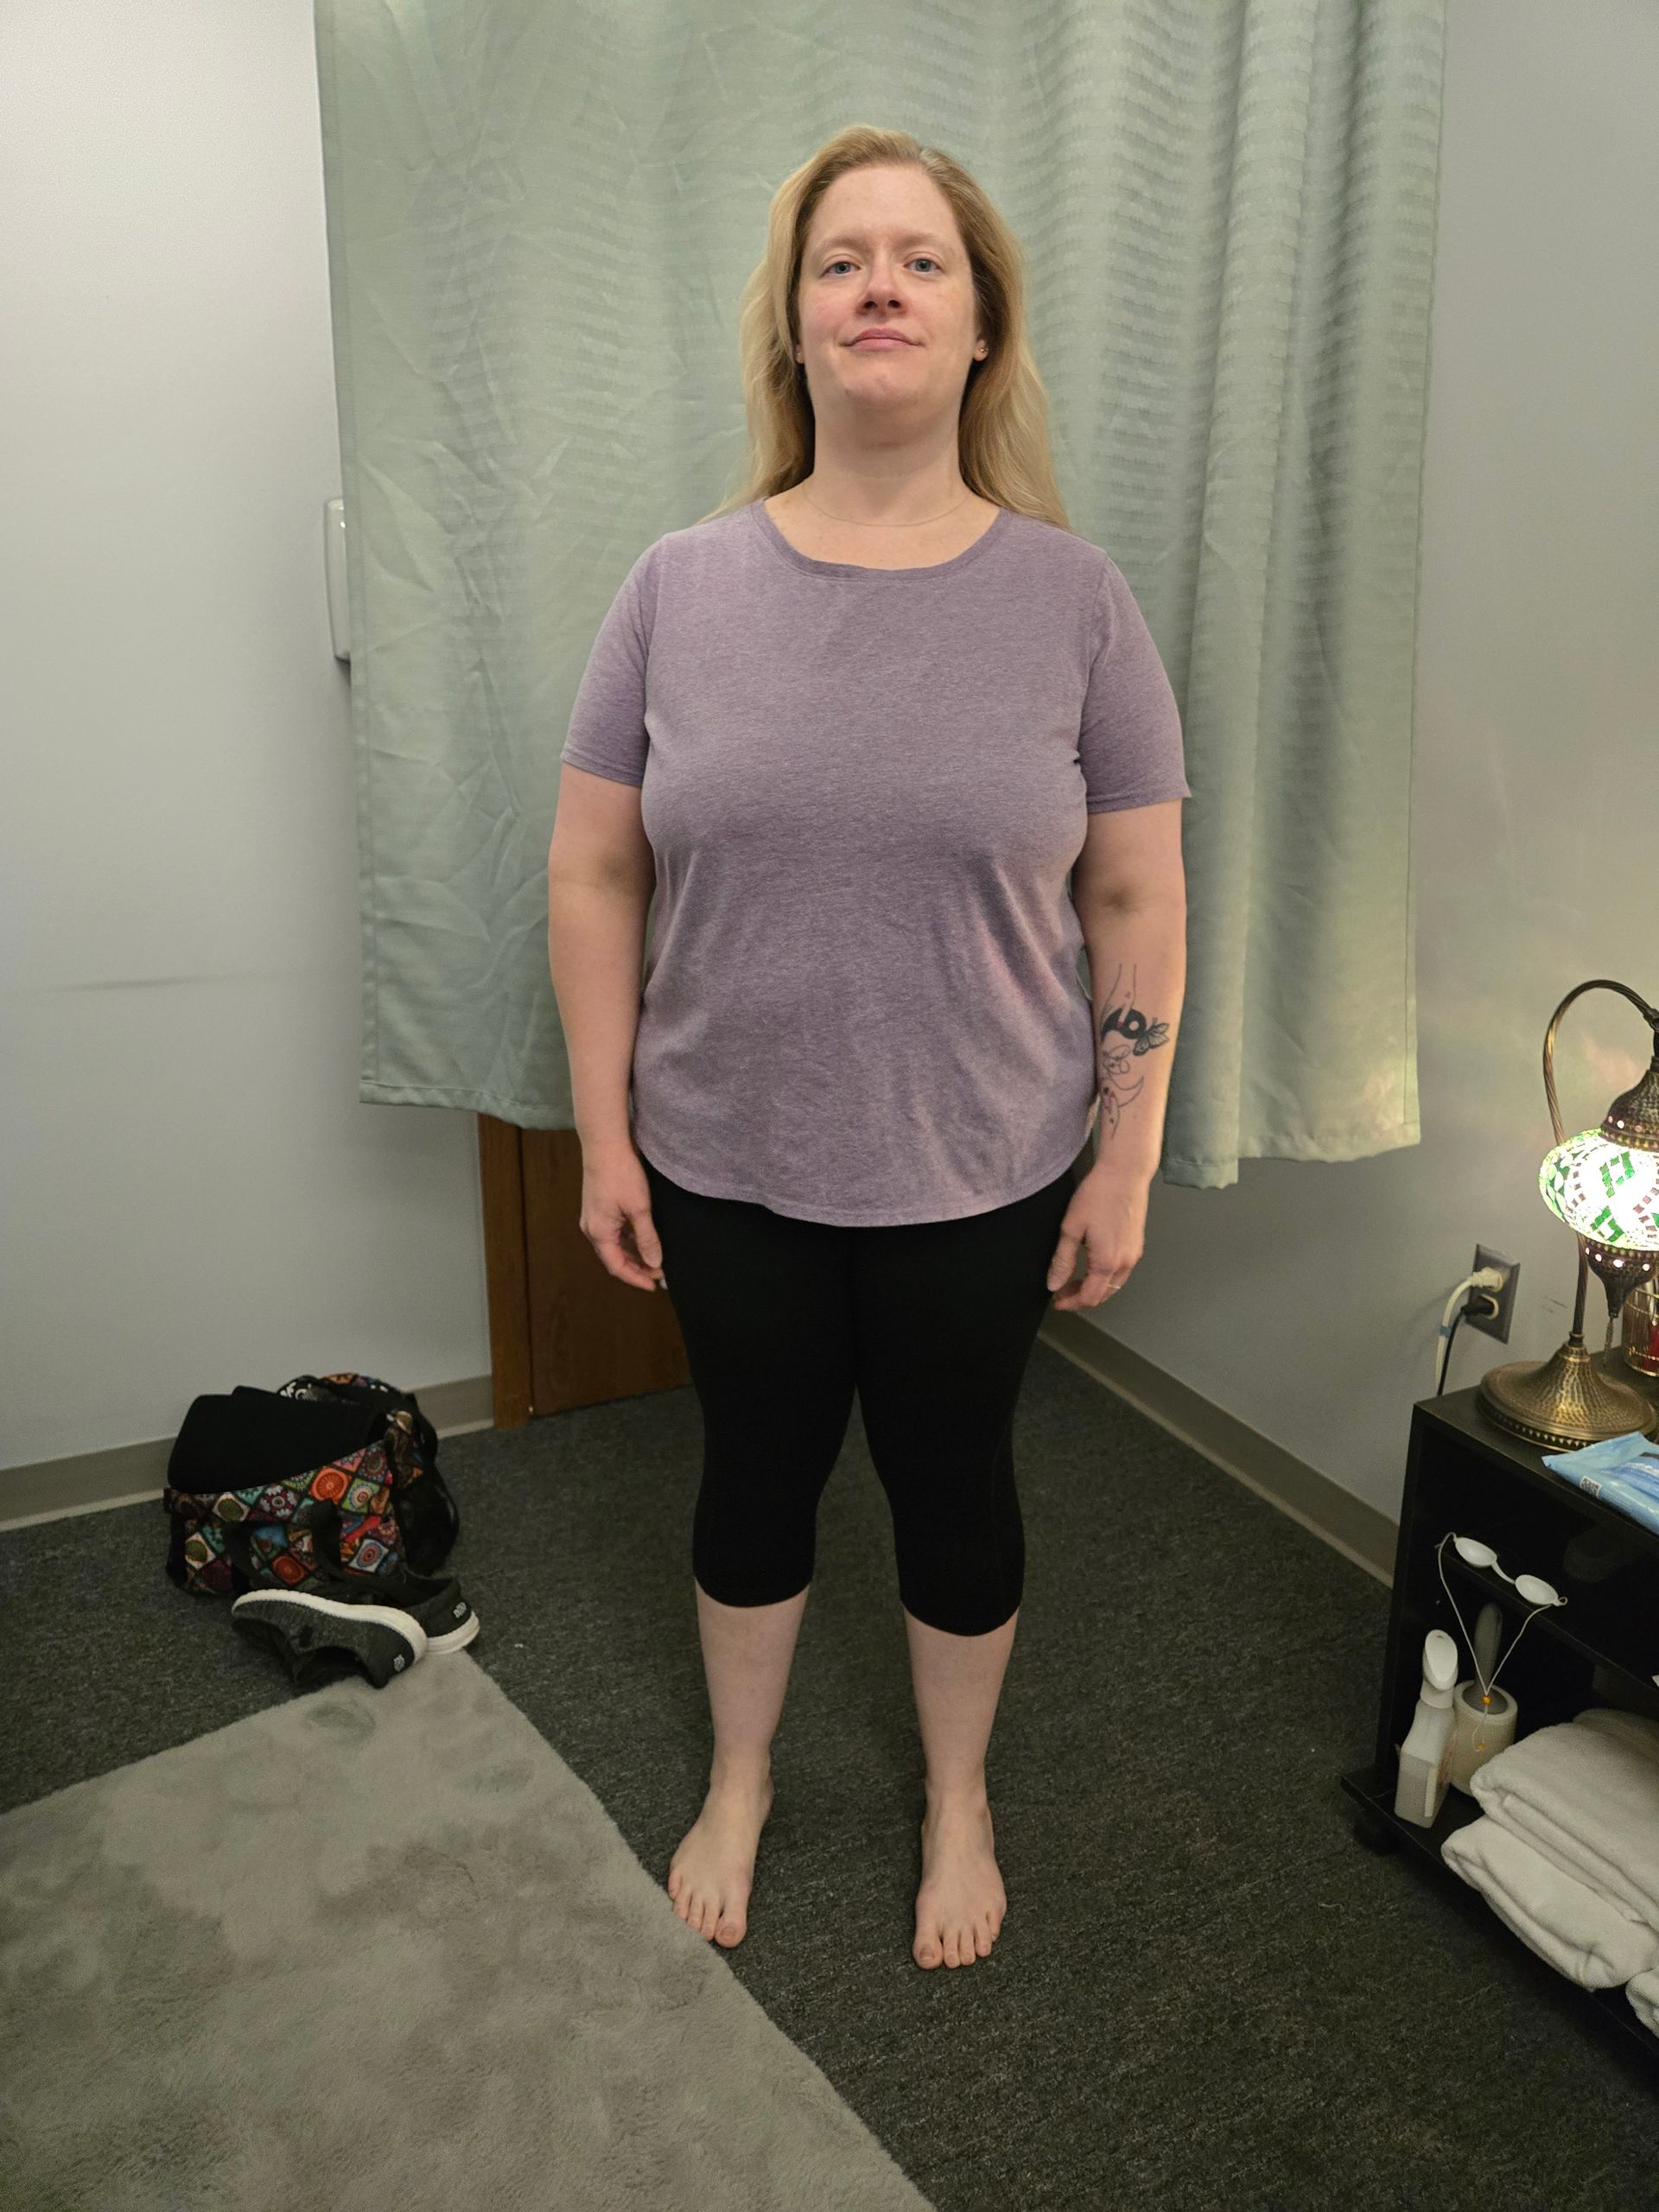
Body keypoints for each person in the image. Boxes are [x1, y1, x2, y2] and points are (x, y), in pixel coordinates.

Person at [546, 128, 1190, 1972]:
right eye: (843, 262)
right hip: (726, 1155)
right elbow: (595, 870)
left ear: (983, 324)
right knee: (751, 1470)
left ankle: (957, 1789)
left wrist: (1125, 1150)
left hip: (980, 1166)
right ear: (797, 326)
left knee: (954, 1480)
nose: (882, 286)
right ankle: (741, 1770)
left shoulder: (1076, 602)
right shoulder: (679, 584)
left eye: (921, 259)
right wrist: (604, 1134)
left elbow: (1135, 897)